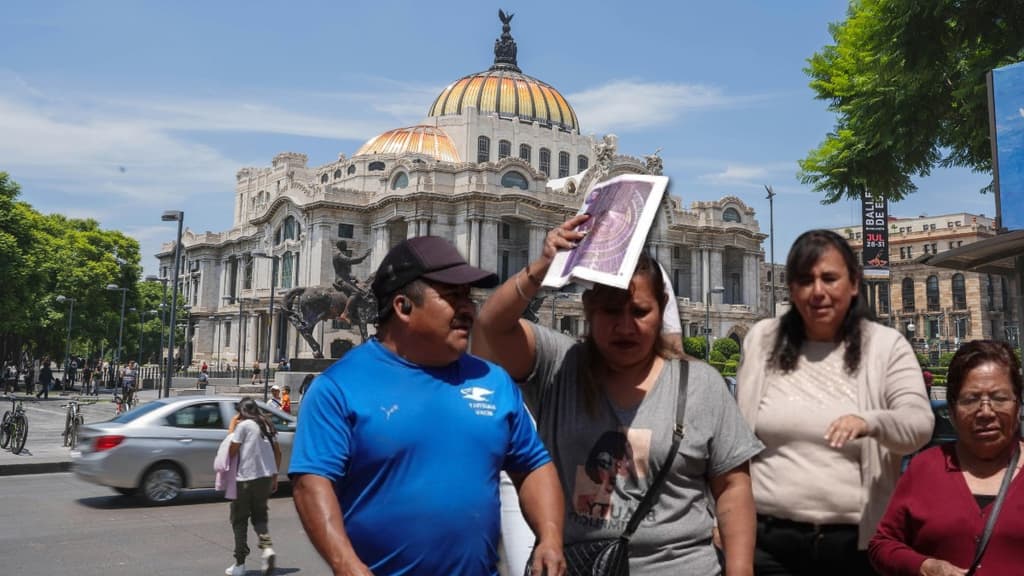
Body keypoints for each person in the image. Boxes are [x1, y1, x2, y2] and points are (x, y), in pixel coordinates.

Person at [472, 215, 763, 575]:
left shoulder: (701, 383)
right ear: (589, 311)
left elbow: (733, 486)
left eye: (640, 312)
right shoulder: (561, 366)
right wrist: (542, 268)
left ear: (661, 313)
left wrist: (740, 570)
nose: (626, 326)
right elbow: (491, 326)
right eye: (611, 311)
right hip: (579, 565)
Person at [289, 235, 566, 576]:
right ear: (403, 307)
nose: (468, 308)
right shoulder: (338, 387)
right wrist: (346, 565)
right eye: (452, 297)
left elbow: (533, 465)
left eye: (468, 297)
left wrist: (550, 537)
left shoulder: (493, 381)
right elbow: (312, 483)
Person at [735, 229, 934, 576]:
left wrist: (871, 422)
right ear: (791, 288)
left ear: (853, 283)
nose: (818, 292)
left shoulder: (886, 345)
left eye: (830, 278)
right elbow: (734, 440)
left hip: (853, 544)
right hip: (767, 543)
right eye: (804, 280)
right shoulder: (762, 340)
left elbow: (919, 425)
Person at [869, 340, 1024, 576]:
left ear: (1018, 405)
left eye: (999, 398)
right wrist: (923, 567)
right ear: (951, 411)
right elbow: (881, 543)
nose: (985, 412)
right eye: (971, 399)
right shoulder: (925, 468)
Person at [225, 397, 282, 576]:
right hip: (265, 478)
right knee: (259, 518)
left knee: (239, 520)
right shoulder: (267, 425)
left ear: (242, 412)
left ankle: (240, 564)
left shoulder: (243, 426)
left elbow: (231, 450)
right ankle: (267, 550)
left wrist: (233, 425)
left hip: (246, 479)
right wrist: (274, 477)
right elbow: (277, 452)